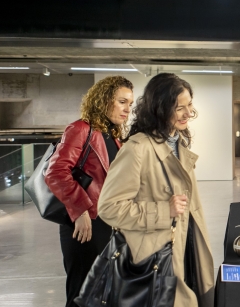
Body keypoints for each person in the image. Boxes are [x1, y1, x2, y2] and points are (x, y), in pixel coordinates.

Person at [98, 73, 215, 307]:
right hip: (156, 261)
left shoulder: (178, 142)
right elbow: (108, 208)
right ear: (159, 108)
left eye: (189, 104)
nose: (187, 113)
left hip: (186, 247)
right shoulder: (137, 148)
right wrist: (164, 211)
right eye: (178, 107)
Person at [45, 76, 134, 307]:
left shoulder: (113, 135)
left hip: (107, 223)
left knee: (105, 290)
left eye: (130, 104)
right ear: (104, 100)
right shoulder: (80, 129)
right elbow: (55, 172)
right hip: (84, 224)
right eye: (122, 102)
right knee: (82, 293)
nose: (127, 109)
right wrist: (80, 210)